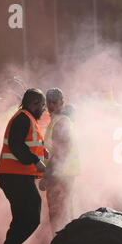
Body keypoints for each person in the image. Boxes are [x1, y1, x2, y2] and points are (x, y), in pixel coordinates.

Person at [0, 88, 47, 244]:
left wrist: (42, 153)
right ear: (34, 103)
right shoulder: (24, 117)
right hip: (15, 175)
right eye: (42, 105)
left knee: (22, 218)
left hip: (16, 176)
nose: (44, 109)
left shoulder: (26, 117)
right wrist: (35, 160)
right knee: (31, 217)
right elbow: (17, 145)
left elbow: (26, 143)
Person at [39, 88, 80, 235]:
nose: (51, 105)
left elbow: (61, 153)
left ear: (62, 102)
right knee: (63, 214)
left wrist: (47, 176)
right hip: (63, 175)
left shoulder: (61, 122)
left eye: (55, 102)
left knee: (58, 216)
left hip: (60, 175)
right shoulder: (60, 121)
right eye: (49, 101)